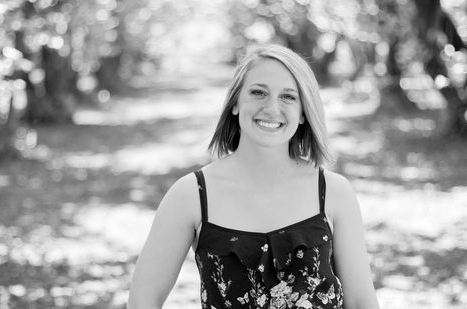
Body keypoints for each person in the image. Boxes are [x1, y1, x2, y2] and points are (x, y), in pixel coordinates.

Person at [127, 44, 379, 309]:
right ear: (235, 103)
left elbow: (361, 301)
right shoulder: (191, 195)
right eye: (258, 92)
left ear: (304, 112)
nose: (271, 108)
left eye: (288, 97)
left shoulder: (334, 192)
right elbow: (143, 299)